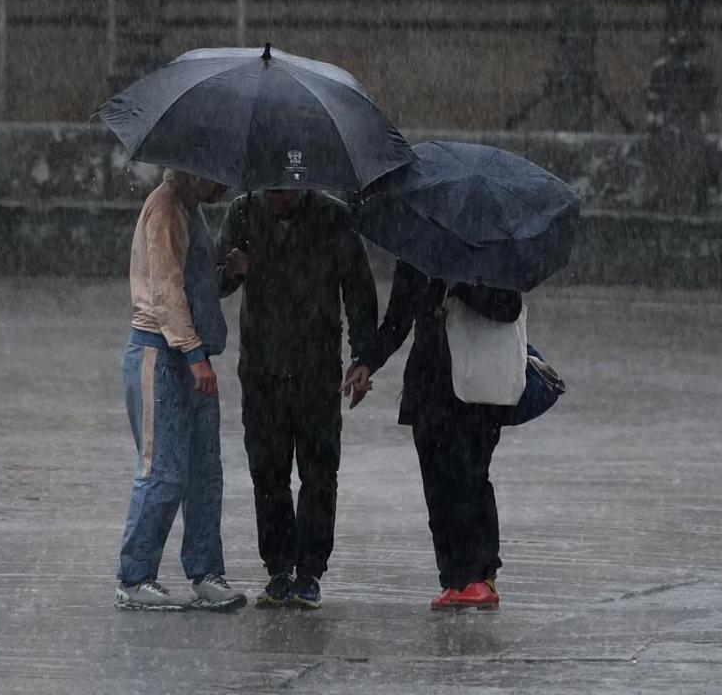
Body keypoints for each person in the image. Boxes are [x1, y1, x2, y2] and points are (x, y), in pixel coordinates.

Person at [218, 189, 377, 609]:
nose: (277, 199)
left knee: (319, 472)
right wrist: (233, 271)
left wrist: (364, 357)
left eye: (285, 190)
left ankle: (309, 570)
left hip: (317, 368)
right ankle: (278, 568)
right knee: (267, 472)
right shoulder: (242, 212)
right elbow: (215, 280)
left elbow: (359, 289)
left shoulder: (333, 217)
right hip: (261, 369)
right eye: (270, 190)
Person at [345, 260, 522, 610]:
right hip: (428, 385)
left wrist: (464, 289)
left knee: (471, 478)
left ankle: (482, 575)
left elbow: (509, 308)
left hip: (477, 389)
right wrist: (368, 361)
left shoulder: (487, 253)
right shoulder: (418, 255)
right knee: (437, 485)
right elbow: (398, 319)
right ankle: (454, 578)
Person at [113, 168, 247, 611]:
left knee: (204, 473)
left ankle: (206, 571)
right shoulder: (166, 207)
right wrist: (192, 354)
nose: (225, 189)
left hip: (193, 356)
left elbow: (199, 285)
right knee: (163, 471)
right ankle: (134, 577)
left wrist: (229, 274)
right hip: (161, 355)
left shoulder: (192, 210)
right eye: (220, 178)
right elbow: (166, 289)